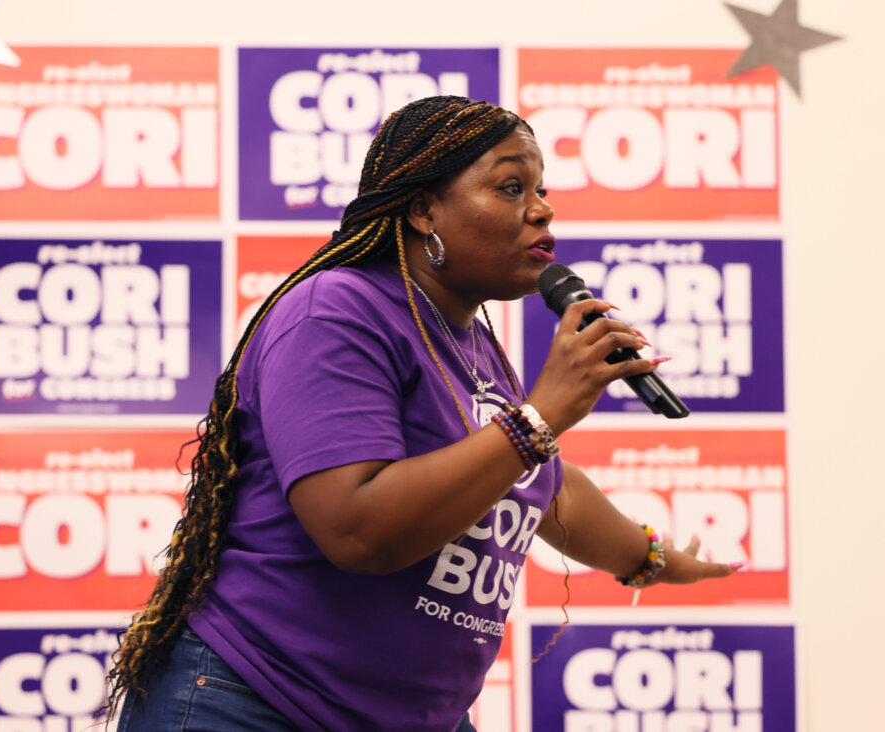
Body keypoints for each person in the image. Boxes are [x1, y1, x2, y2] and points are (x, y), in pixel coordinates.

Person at [102, 96, 738, 732]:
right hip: (256, 700)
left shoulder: (471, 343)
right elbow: (357, 528)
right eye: (512, 187)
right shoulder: (334, 312)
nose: (542, 209)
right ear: (421, 209)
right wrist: (539, 418)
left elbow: (546, 487)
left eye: (541, 190)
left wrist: (652, 561)